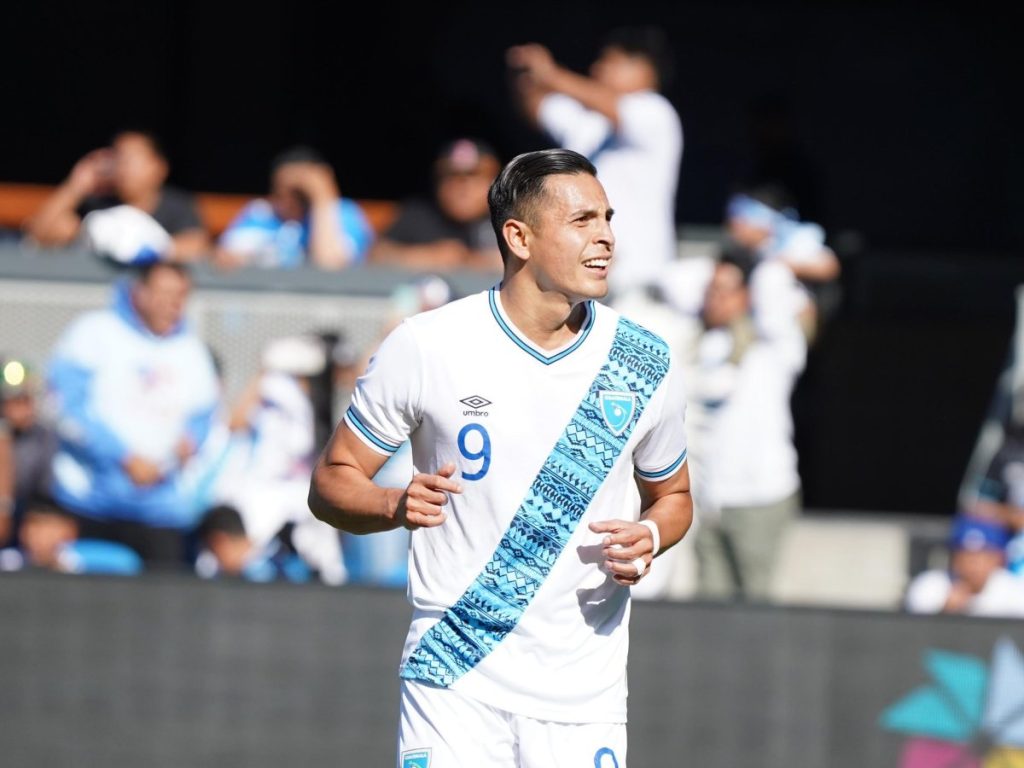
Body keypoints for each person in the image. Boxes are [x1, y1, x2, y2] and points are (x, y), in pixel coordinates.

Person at [309, 148, 692, 766]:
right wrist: (392, 502)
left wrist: (649, 533)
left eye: (608, 218)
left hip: (582, 691)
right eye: (582, 221)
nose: (606, 238)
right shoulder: (428, 346)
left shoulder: (643, 362)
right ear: (519, 237)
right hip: (454, 675)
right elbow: (331, 481)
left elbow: (673, 498)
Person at [46, 261, 221, 568]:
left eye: (180, 295)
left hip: (160, 510)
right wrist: (123, 458)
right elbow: (65, 408)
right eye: (163, 293)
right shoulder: (94, 332)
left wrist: (179, 451)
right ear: (139, 292)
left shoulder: (193, 352)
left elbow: (202, 421)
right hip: (88, 504)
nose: (172, 304)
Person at [508, 26, 683, 301]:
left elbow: (610, 104)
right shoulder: (588, 126)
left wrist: (550, 73)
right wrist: (525, 69)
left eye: (610, 62)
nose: (598, 69)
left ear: (643, 69)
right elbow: (537, 106)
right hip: (585, 281)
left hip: (640, 283)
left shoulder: (655, 111)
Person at [684, 246, 807, 602]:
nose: (715, 299)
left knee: (756, 605)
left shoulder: (775, 345)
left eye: (726, 290)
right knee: (709, 609)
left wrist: (763, 244)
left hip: (761, 497)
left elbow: (773, 280)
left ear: (748, 294)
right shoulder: (703, 344)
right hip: (712, 499)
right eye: (711, 290)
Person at [24, 129, 209, 262]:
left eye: (130, 159)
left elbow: (196, 245)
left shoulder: (178, 205)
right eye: (117, 158)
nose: (122, 166)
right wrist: (76, 184)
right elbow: (41, 233)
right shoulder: (96, 204)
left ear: (158, 166)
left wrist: (142, 249)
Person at [215, 145, 375, 271]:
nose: (289, 198)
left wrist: (321, 197)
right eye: (282, 190)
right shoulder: (260, 213)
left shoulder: (342, 213)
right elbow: (226, 258)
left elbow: (330, 265)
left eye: (299, 193)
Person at [369, 138, 503, 272]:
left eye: (473, 176)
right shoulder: (419, 214)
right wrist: (425, 257)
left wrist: (475, 261)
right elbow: (376, 254)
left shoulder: (508, 216)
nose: (463, 188)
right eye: (453, 176)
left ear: (493, 181)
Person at [904, 514, 1024, 618]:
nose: (972, 563)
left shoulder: (1015, 590)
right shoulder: (930, 585)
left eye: (981, 555)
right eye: (966, 554)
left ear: (998, 559)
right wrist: (945, 611)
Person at [0, 497, 143, 576]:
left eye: (48, 528)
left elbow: (128, 562)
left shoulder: (82, 562)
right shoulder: (8, 562)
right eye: (33, 526)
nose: (38, 537)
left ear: (70, 531)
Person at [0, 357, 58, 539]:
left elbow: (47, 493)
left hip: (27, 522)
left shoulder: (45, 438)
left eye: (25, 400)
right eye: (12, 401)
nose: (20, 409)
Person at [192, 503, 313, 583]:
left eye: (212, 551)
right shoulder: (281, 558)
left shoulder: (284, 565)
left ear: (220, 541)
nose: (215, 562)